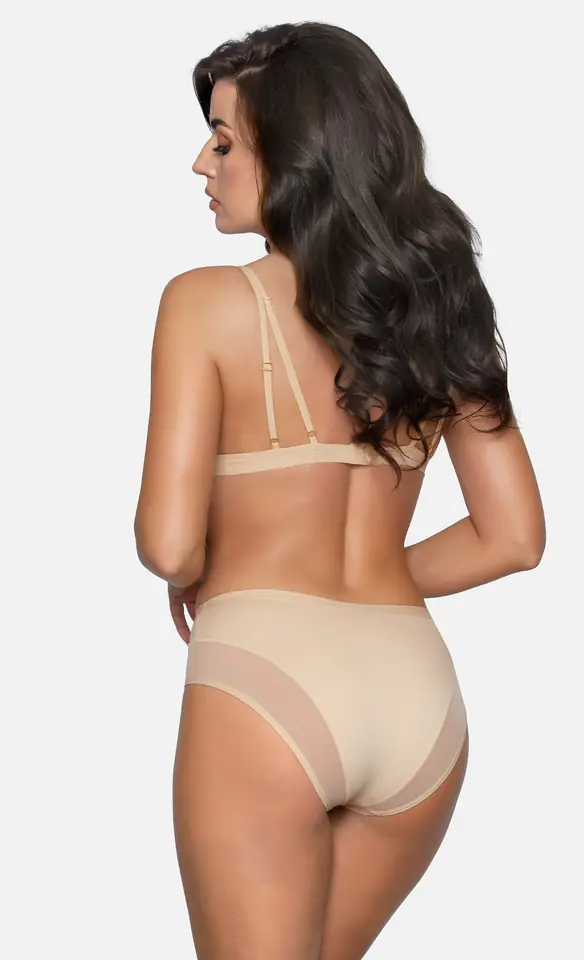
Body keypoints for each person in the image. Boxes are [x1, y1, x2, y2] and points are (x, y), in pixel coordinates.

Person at [133, 20, 546, 960]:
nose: (201, 163)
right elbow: (514, 537)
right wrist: (369, 575)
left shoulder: (202, 302)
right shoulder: (441, 302)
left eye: (223, 141)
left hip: (265, 683)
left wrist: (212, 569)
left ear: (296, 151)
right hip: (418, 701)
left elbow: (168, 543)